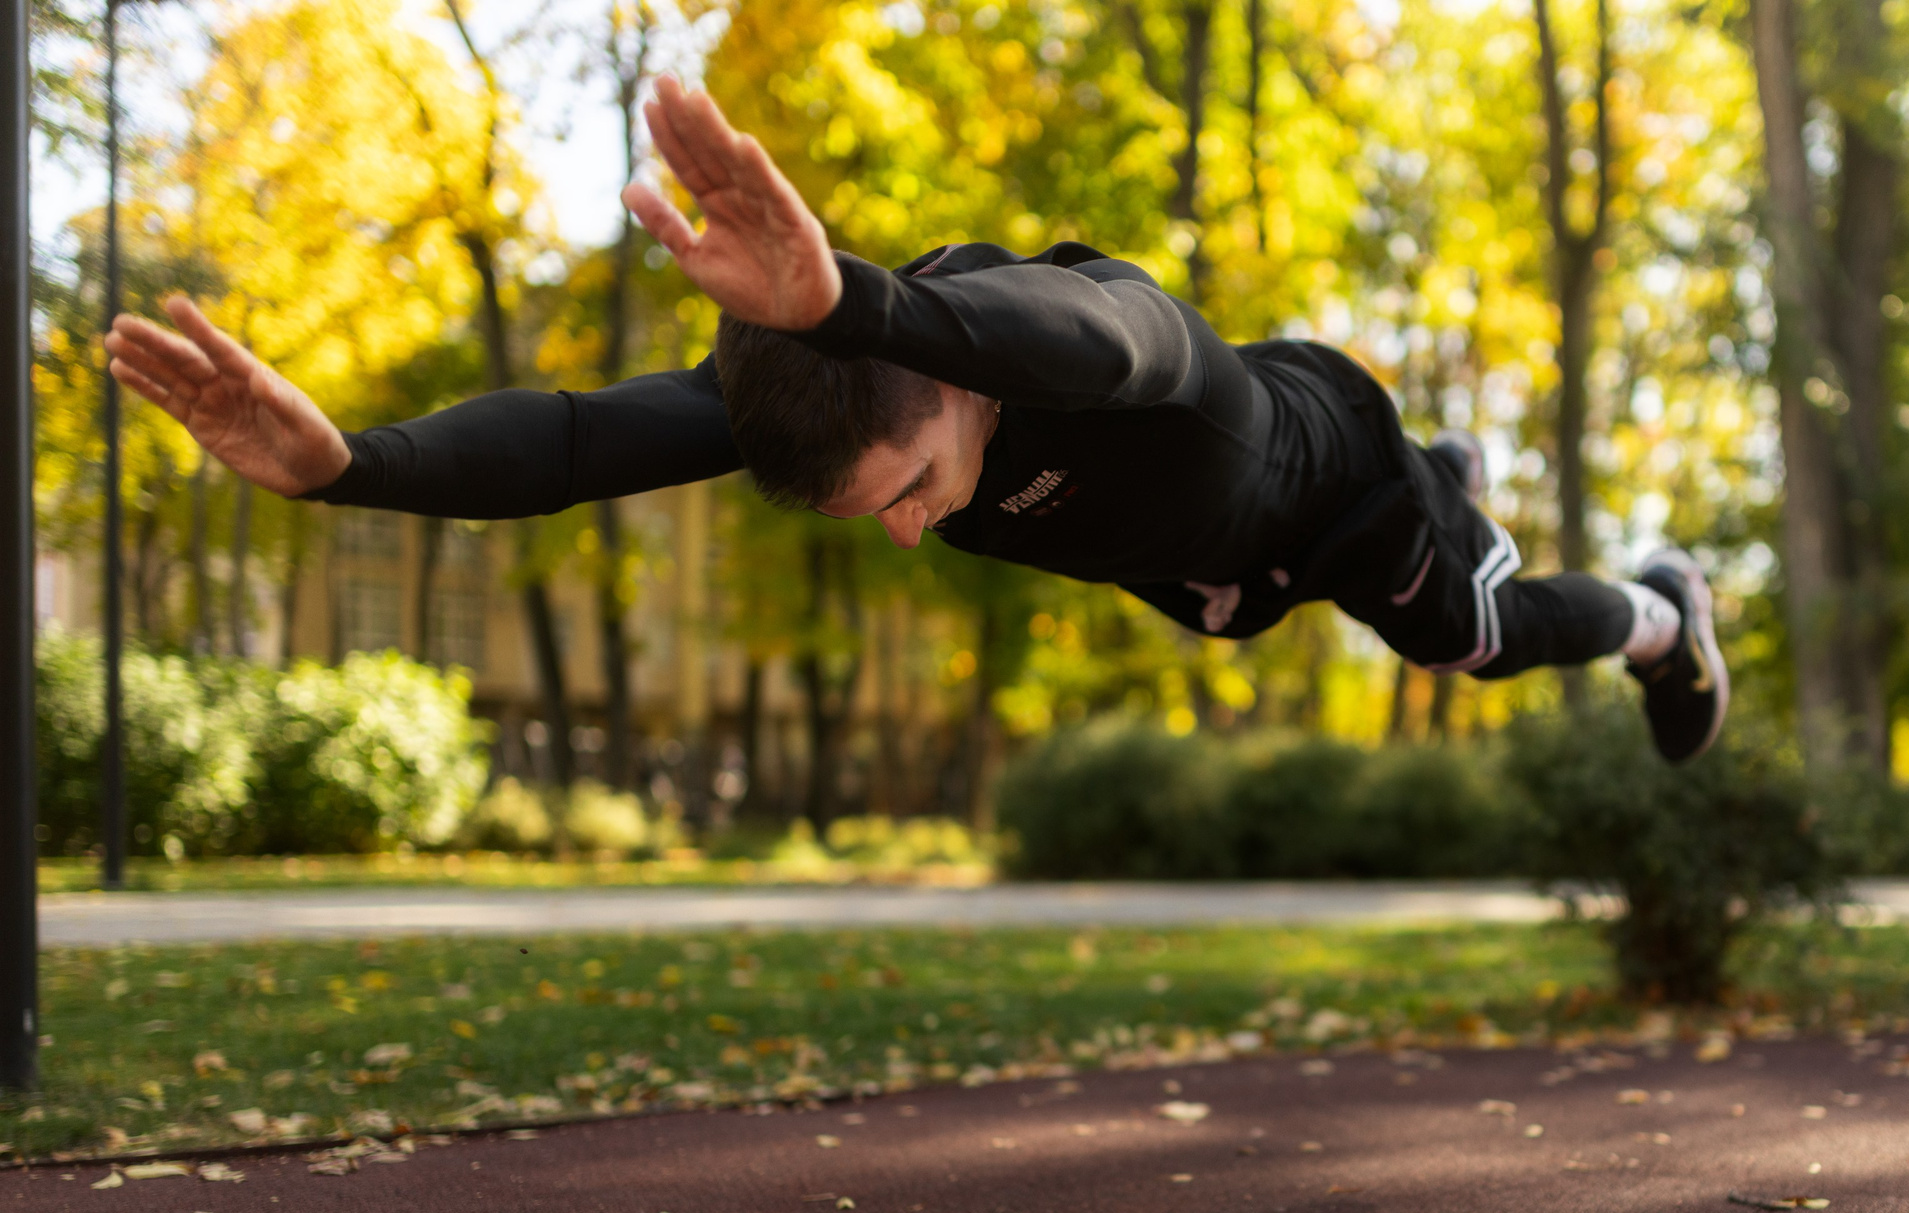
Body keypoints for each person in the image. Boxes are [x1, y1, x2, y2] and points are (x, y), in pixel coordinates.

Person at [105, 76, 1728, 761]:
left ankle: (1665, 615)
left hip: (1324, 475)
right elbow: (580, 442)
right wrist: (343, 467)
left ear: (953, 381)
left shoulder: (1105, 342)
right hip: (1199, 565)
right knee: (1226, 613)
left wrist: (856, 303)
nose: (903, 529)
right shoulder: (805, 394)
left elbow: (1110, 338)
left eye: (907, 485)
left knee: (1473, 642)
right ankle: (1460, 519)